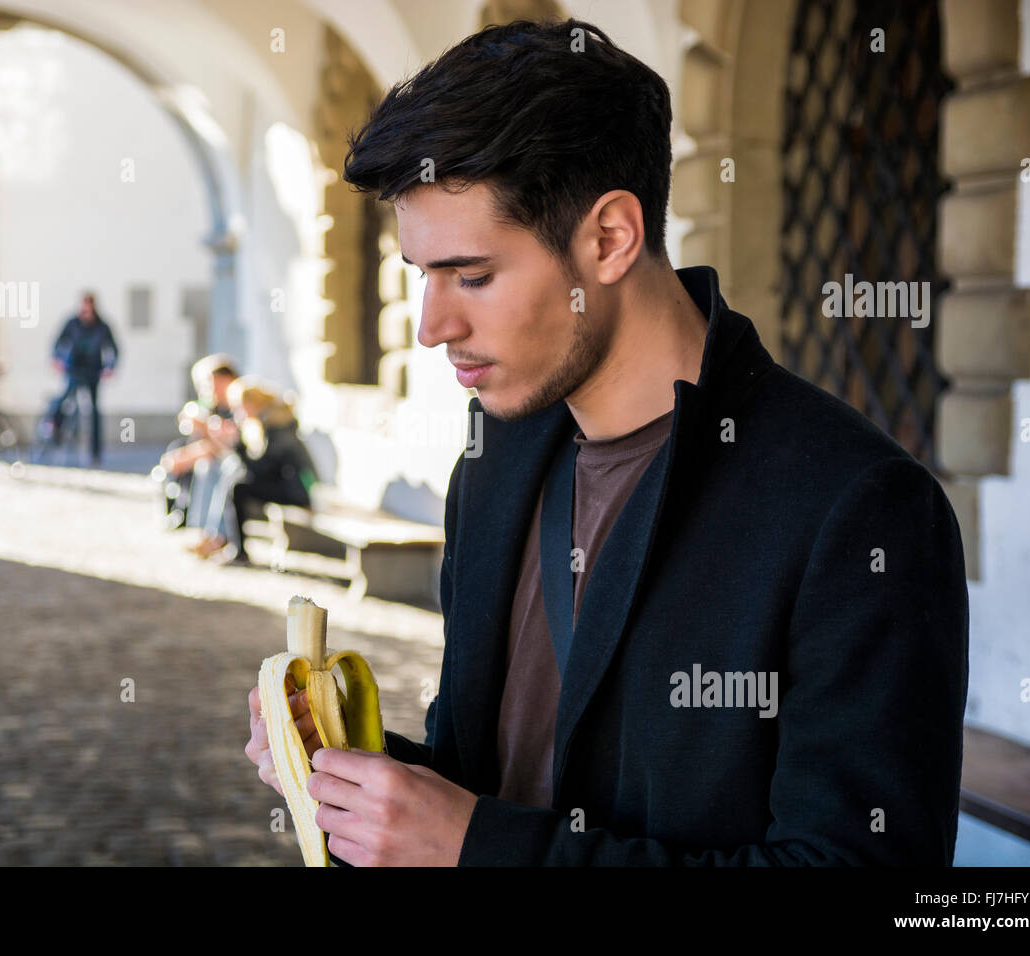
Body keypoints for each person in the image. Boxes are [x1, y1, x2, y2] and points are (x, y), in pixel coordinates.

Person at [245, 18, 969, 866]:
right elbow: (506, 784)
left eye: (472, 276)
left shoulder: (860, 508)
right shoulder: (492, 462)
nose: (434, 325)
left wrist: (478, 847)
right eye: (423, 276)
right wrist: (365, 784)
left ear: (611, 238)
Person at [192, 377, 317, 565]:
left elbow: (262, 467)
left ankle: (237, 549)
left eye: (239, 408)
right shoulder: (268, 420)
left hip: (297, 490)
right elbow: (260, 466)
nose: (237, 414)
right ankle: (220, 539)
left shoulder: (277, 424)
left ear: (251, 404)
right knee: (232, 480)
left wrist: (236, 444)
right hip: (289, 484)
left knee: (237, 488)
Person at [156, 354, 240, 528]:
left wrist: (202, 435)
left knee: (200, 464)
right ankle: (179, 508)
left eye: (212, 382)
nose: (209, 388)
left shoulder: (237, 404)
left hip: (227, 457)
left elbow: (229, 442)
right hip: (211, 451)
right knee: (177, 450)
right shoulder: (213, 404)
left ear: (227, 380)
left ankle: (193, 519)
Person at [50, 292, 118, 467]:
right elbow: (57, 343)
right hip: (73, 369)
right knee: (64, 399)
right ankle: (53, 425)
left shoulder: (102, 326)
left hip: (93, 371)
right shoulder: (72, 323)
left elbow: (113, 348)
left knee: (94, 412)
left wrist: (110, 367)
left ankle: (95, 453)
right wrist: (57, 359)